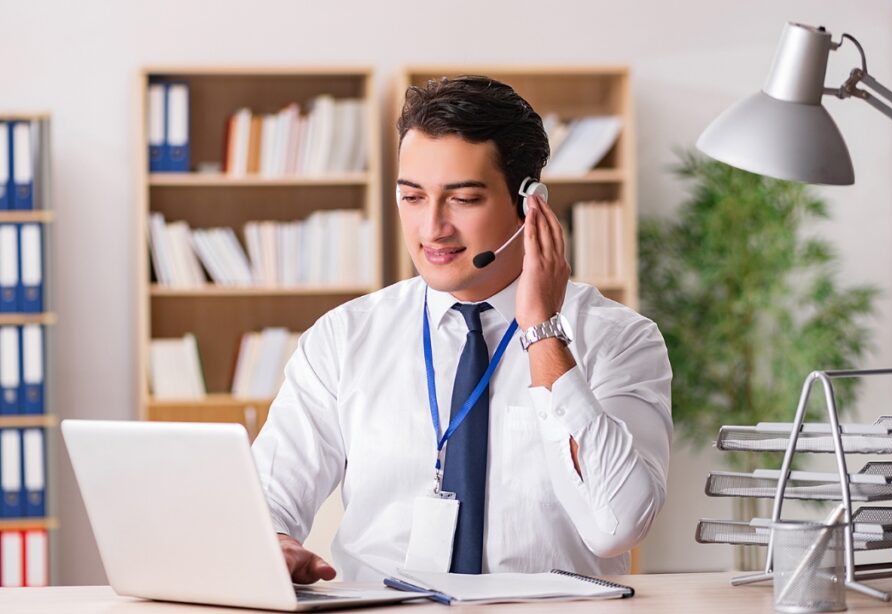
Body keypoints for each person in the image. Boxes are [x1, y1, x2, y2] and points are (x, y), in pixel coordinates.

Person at [251, 75, 672, 583]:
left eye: (463, 199)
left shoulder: (619, 340)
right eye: (412, 198)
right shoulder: (343, 339)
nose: (432, 229)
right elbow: (266, 501)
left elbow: (617, 525)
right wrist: (271, 542)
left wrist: (542, 332)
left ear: (530, 202)